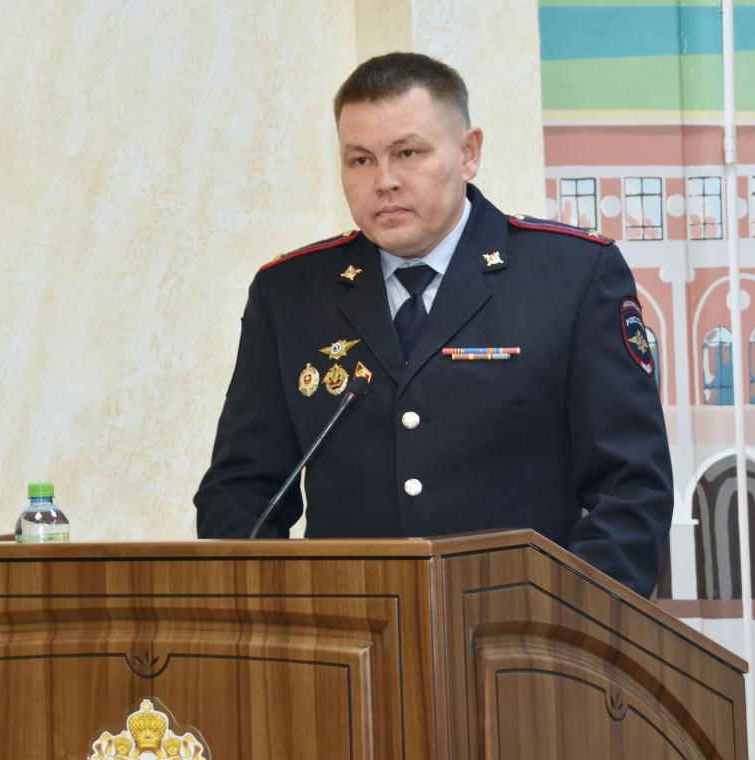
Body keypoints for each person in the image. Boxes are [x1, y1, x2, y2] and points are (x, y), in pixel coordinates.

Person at [194, 52, 673, 598]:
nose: (385, 181)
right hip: (347, 630)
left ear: (469, 154)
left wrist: (564, 622)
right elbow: (241, 492)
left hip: (522, 631)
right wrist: (272, 620)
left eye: (408, 153)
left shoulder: (572, 276)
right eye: (360, 160)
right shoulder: (290, 293)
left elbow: (631, 490)